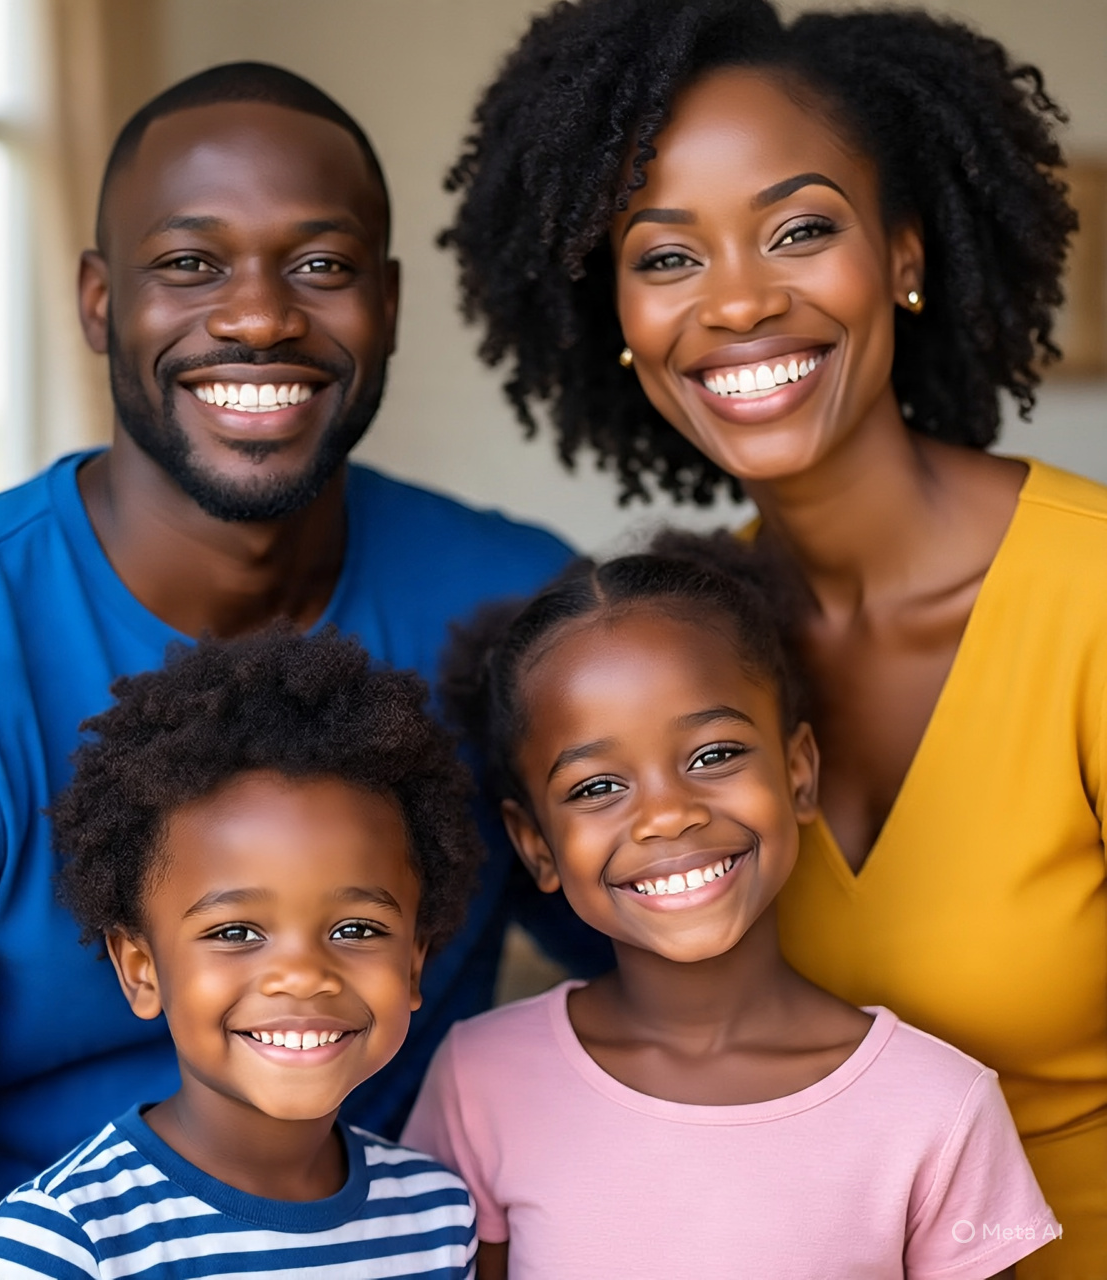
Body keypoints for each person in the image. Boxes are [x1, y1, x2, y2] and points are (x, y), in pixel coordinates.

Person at [0, 62, 592, 1278]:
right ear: (95, 300)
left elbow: (675, 992)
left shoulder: (524, 622)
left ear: (386, 303)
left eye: (320, 264)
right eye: (190, 263)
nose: (256, 317)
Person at [440, 1, 1100, 1272]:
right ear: (618, 320)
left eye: (799, 229)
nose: (737, 301)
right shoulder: (682, 656)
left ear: (902, 252)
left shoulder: (1090, 599)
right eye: (665, 255)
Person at [403, 540, 1055, 1279]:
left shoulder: (940, 1108)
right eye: (595, 787)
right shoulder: (479, 1080)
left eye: (713, 755)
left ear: (799, 772)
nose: (668, 815)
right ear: (537, 847)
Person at [0, 626, 479, 1278]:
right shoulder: (70, 1238)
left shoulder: (437, 1217)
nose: (302, 975)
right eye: (236, 933)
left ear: (413, 963)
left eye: (355, 930)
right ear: (141, 969)